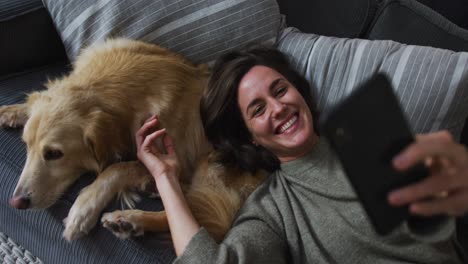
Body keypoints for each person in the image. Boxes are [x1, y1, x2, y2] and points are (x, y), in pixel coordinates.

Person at [135, 47, 468, 263]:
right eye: (258, 109)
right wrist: (166, 179)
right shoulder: (272, 209)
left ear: (300, 93)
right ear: (250, 138)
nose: (279, 108)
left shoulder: (372, 136)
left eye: (280, 90)